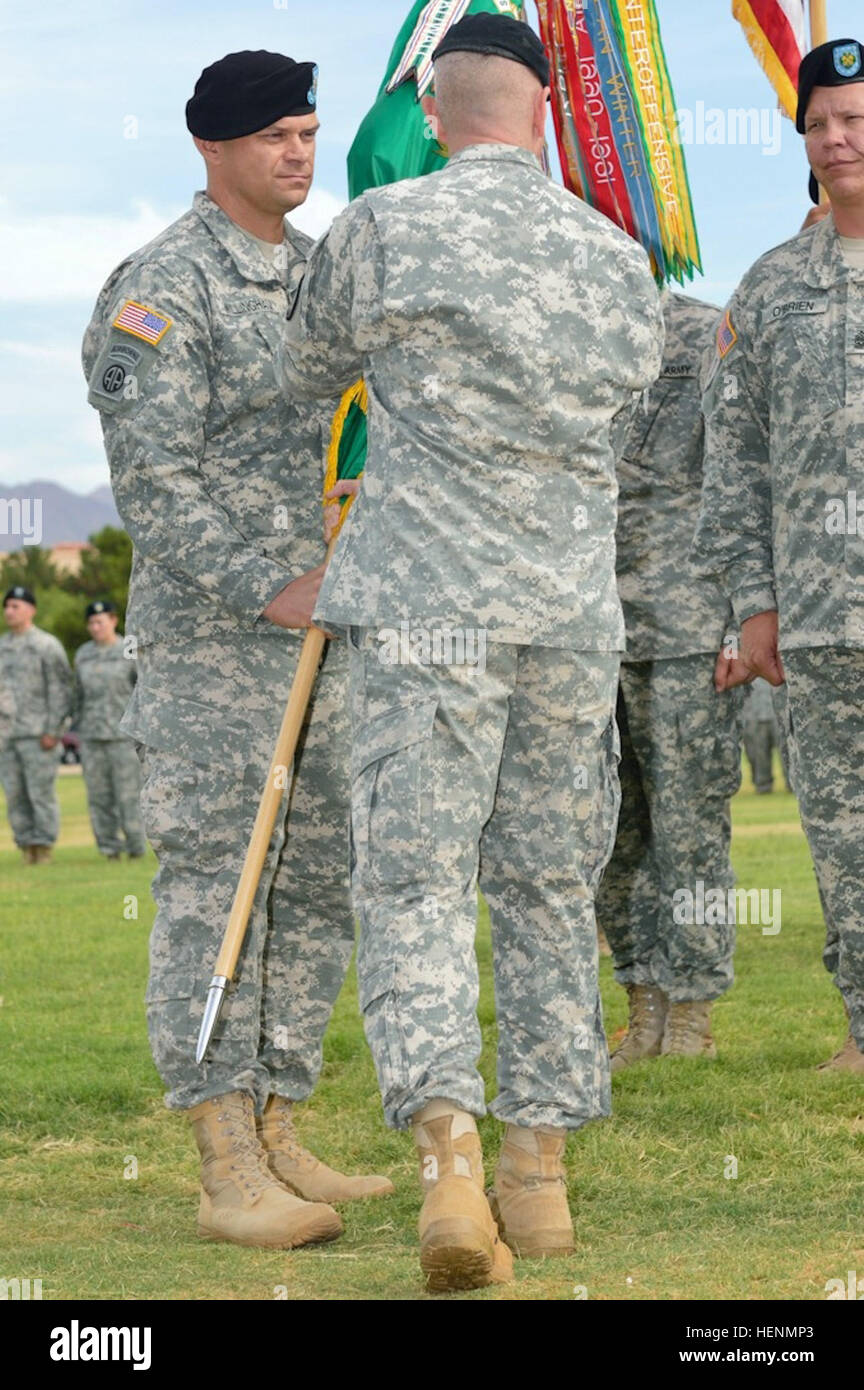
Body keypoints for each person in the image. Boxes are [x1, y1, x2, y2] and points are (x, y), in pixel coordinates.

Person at [279, 12, 663, 1289]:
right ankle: (538, 1177)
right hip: (566, 612)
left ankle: (451, 1160)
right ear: (542, 111)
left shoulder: (385, 227)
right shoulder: (617, 256)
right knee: (550, 884)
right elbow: (635, 401)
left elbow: (311, 364)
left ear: (434, 113)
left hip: (428, 610)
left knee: (417, 882)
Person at [82, 49, 392, 1250]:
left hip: (331, 636)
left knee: (313, 885)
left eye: (309, 133)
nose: (300, 155)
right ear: (214, 147)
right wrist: (272, 584)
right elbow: (150, 484)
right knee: (223, 885)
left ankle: (280, 1122)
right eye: (277, 137)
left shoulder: (323, 276)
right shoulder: (163, 286)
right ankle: (221, 1153)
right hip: (224, 642)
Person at [694, 38, 864, 1075]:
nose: (839, 139)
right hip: (819, 617)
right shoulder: (768, 290)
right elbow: (733, 456)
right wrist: (752, 602)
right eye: (822, 123)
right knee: (843, 835)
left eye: (855, 119)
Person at [596, 293, 747, 1071]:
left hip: (689, 624)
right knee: (609, 834)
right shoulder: (557, 317)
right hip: (583, 624)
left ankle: (693, 1008)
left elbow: (750, 473)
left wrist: (741, 617)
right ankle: (642, 1002)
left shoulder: (705, 330)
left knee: (691, 830)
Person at [0, 587, 72, 864]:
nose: (9, 611)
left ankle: (43, 848)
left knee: (40, 793)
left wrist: (54, 730)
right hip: (7, 736)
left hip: (38, 734)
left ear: (31, 610)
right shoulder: (2, 647)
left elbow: (61, 690)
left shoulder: (46, 645)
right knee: (15, 794)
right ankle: (25, 846)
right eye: (7, 606)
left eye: (15, 606)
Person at [72, 600, 146, 860]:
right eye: (91, 623)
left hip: (123, 737)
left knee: (127, 796)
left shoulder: (128, 648)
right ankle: (108, 849)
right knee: (99, 796)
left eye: (100, 621)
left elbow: (143, 688)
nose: (95, 627)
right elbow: (78, 695)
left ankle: (136, 848)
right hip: (92, 737)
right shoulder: (83, 654)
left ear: (113, 620)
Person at [741, 676, 789, 794]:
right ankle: (763, 786)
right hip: (754, 718)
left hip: (778, 717)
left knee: (786, 752)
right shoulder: (746, 672)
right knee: (757, 754)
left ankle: (791, 784)